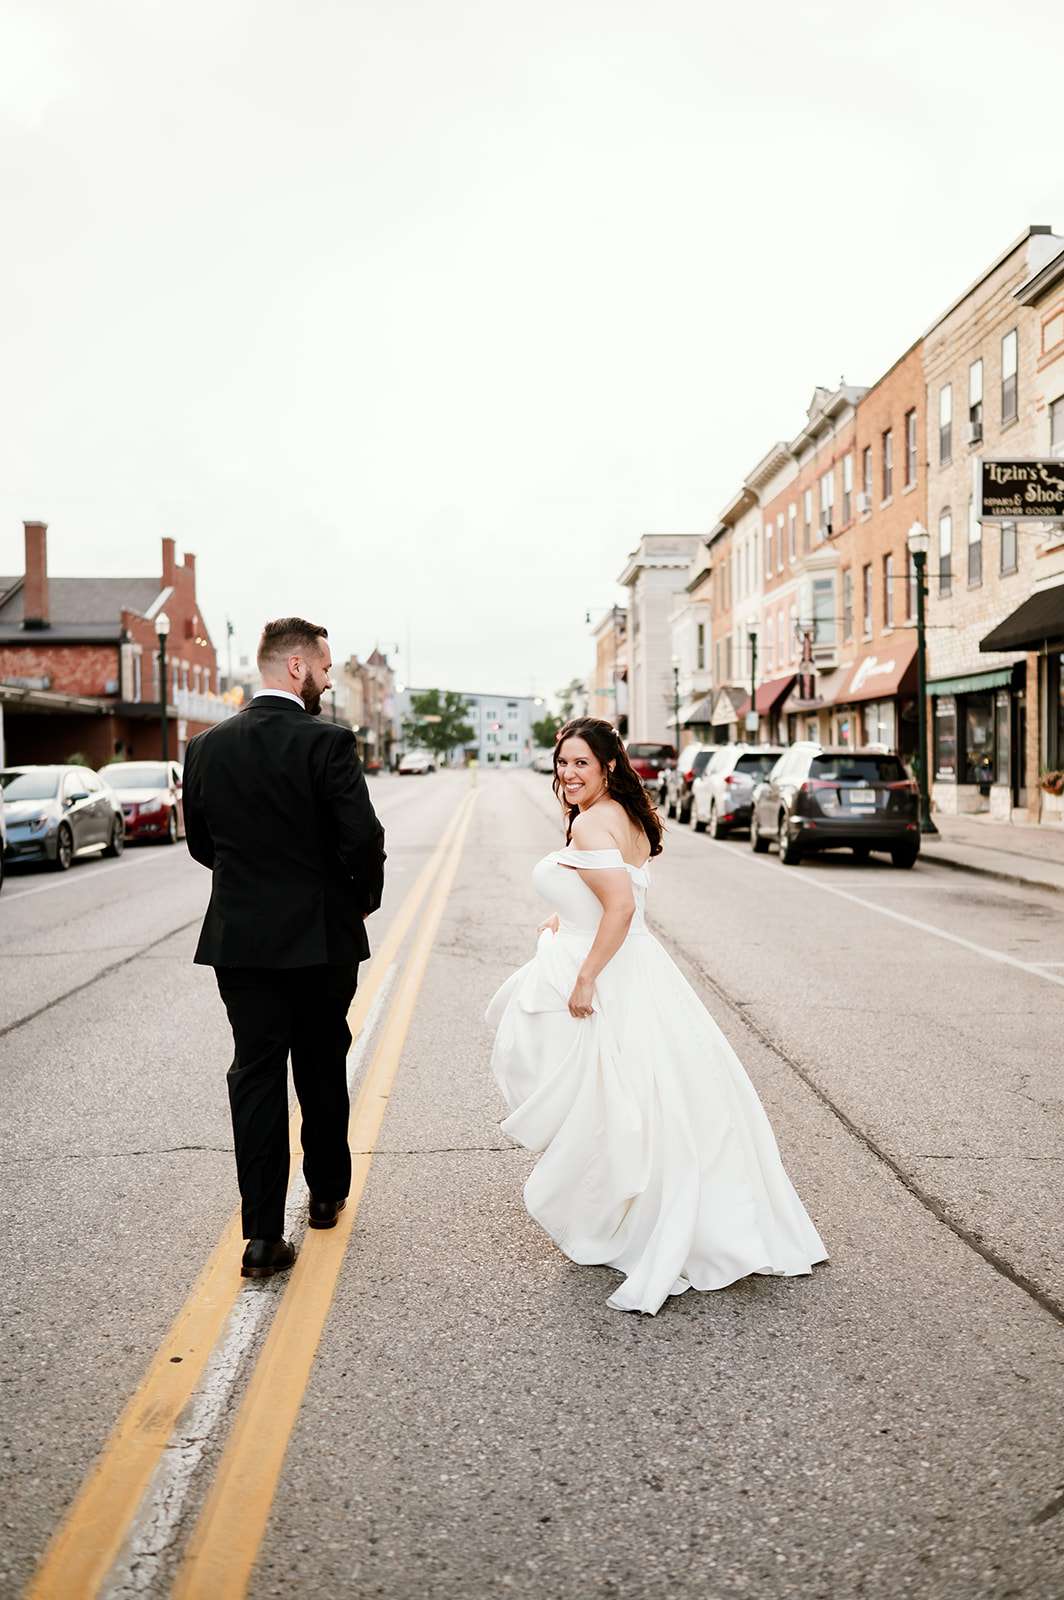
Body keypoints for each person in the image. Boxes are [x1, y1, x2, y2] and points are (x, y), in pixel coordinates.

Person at [485, 716, 826, 1315]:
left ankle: (637, 1223)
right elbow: (623, 894)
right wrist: (566, 918)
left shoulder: (592, 821)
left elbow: (618, 907)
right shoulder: (625, 817)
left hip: (613, 974)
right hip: (641, 967)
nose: (567, 774)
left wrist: (587, 974)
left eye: (580, 764)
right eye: (562, 763)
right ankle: (654, 1212)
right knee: (653, 1100)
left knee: (621, 1102)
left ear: (608, 766)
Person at [183, 617, 386, 1279]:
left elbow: (201, 846)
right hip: (322, 939)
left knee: (256, 1074)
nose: (329, 682)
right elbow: (363, 840)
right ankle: (325, 1194)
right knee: (323, 1060)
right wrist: (357, 900)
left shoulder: (207, 748)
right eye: (325, 670)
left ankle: (263, 1237)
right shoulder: (326, 743)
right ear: (296, 668)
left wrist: (250, 891)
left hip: (241, 943)